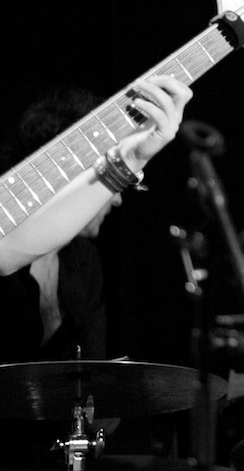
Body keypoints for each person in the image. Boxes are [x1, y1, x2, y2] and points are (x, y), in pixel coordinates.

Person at [0, 77, 192, 469]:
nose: (117, 199)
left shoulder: (84, 263)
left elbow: (90, 381)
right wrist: (126, 162)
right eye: (105, 176)